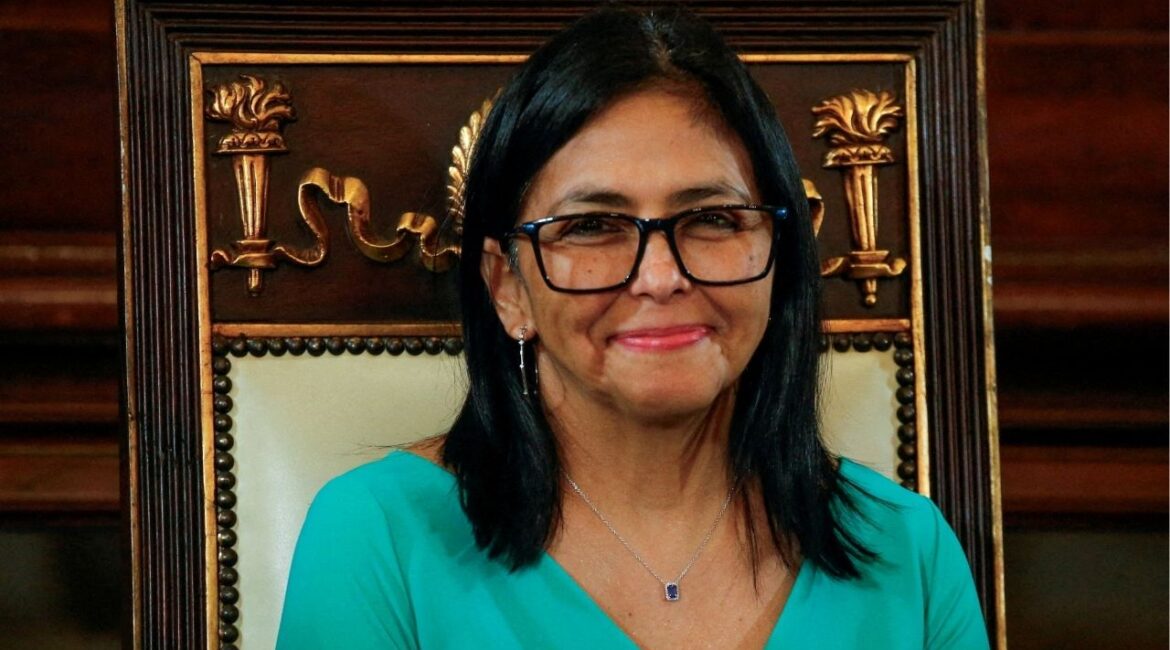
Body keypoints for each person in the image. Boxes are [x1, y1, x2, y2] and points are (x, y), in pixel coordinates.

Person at [277, 6, 989, 649]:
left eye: (711, 219)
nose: (659, 276)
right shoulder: (376, 539)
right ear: (507, 288)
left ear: (779, 257)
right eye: (591, 227)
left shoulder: (908, 552)